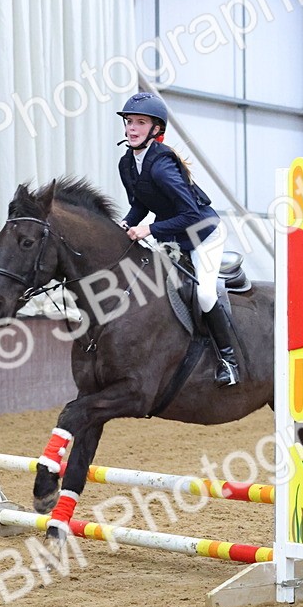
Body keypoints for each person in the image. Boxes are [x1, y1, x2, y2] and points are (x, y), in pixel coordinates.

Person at [115, 92, 240, 387]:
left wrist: (148, 230)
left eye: (140, 123)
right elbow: (141, 203)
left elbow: (191, 214)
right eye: (129, 122)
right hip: (172, 234)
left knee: (205, 294)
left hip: (203, 234)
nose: (132, 128)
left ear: (156, 129)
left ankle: (228, 360)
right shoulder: (127, 164)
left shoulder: (162, 166)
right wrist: (126, 222)